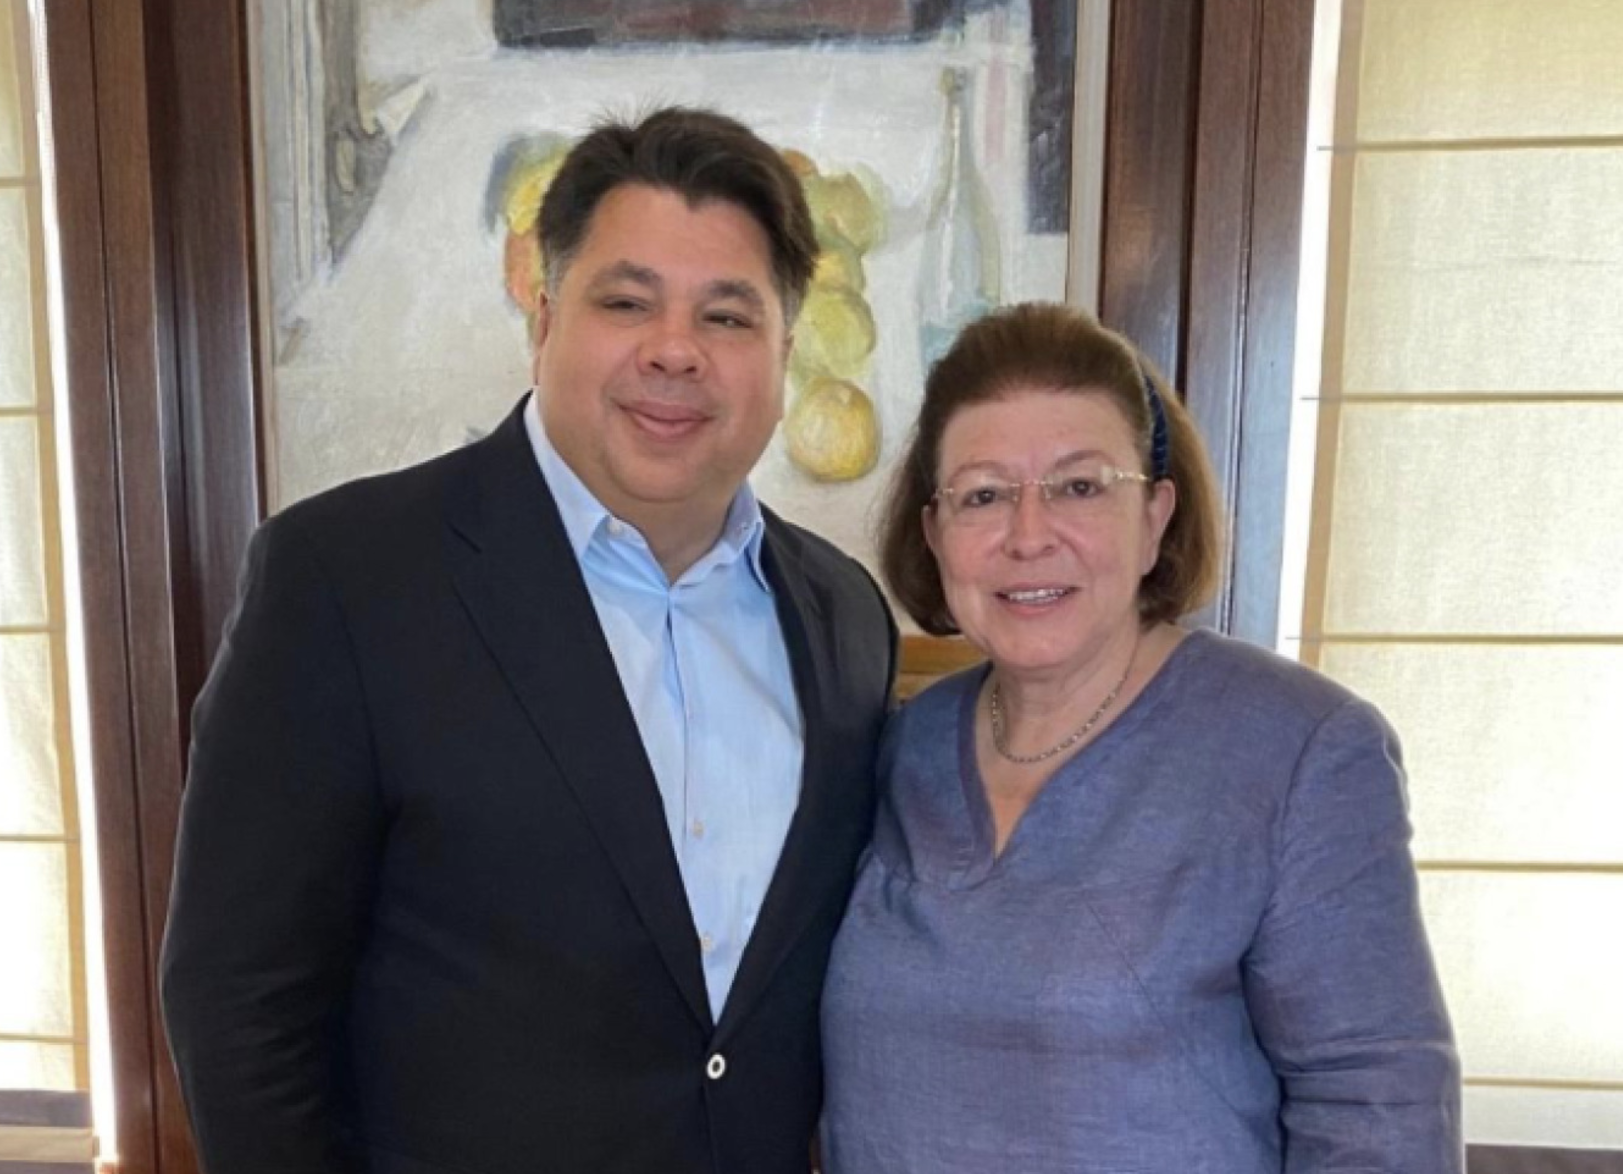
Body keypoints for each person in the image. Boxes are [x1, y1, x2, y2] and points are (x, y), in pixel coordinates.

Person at [160, 107, 898, 1174]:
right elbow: (238, 1000)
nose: (675, 350)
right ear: (543, 317)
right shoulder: (345, 580)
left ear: (782, 350)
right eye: (625, 301)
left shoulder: (843, 616)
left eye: (728, 316)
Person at [820, 303, 1461, 1172]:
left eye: (1081, 487)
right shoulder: (903, 743)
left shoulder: (1301, 751)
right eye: (984, 495)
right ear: (935, 534)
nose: (1029, 535)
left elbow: (1378, 1114)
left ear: (1156, 515)